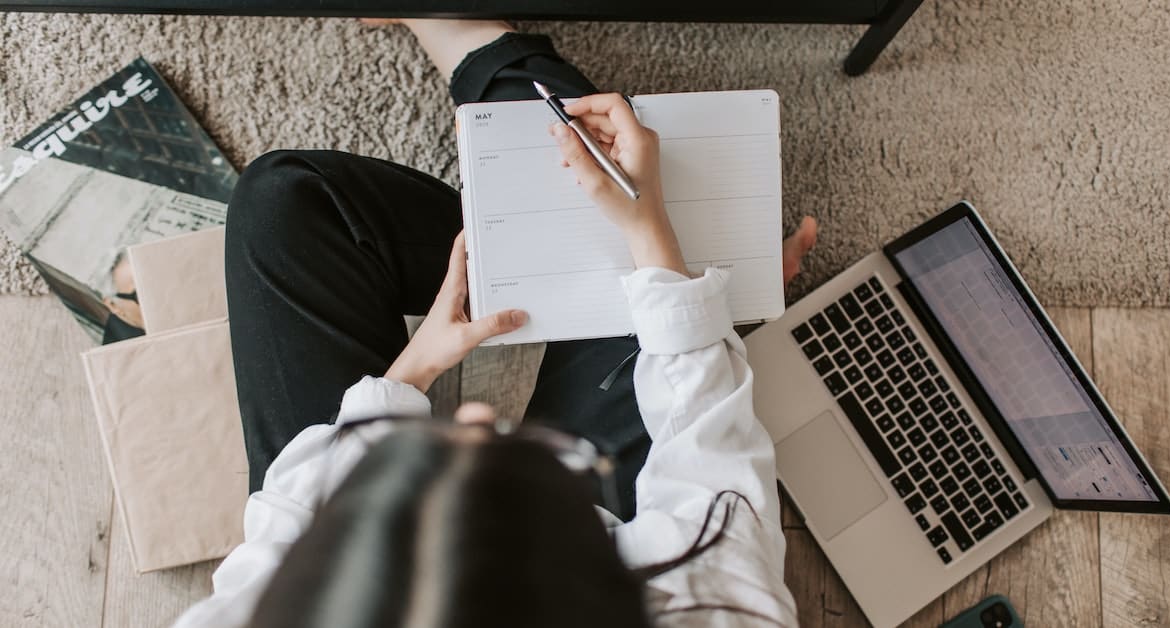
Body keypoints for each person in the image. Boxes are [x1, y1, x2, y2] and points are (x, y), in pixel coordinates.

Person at [172, 18, 819, 628]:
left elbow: (289, 522)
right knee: (656, 259)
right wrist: (655, 240)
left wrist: (415, 370)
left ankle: (476, 60)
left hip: (330, 530)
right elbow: (711, 464)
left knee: (283, 202)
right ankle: (468, 35)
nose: (478, 415)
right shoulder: (714, 609)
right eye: (522, 463)